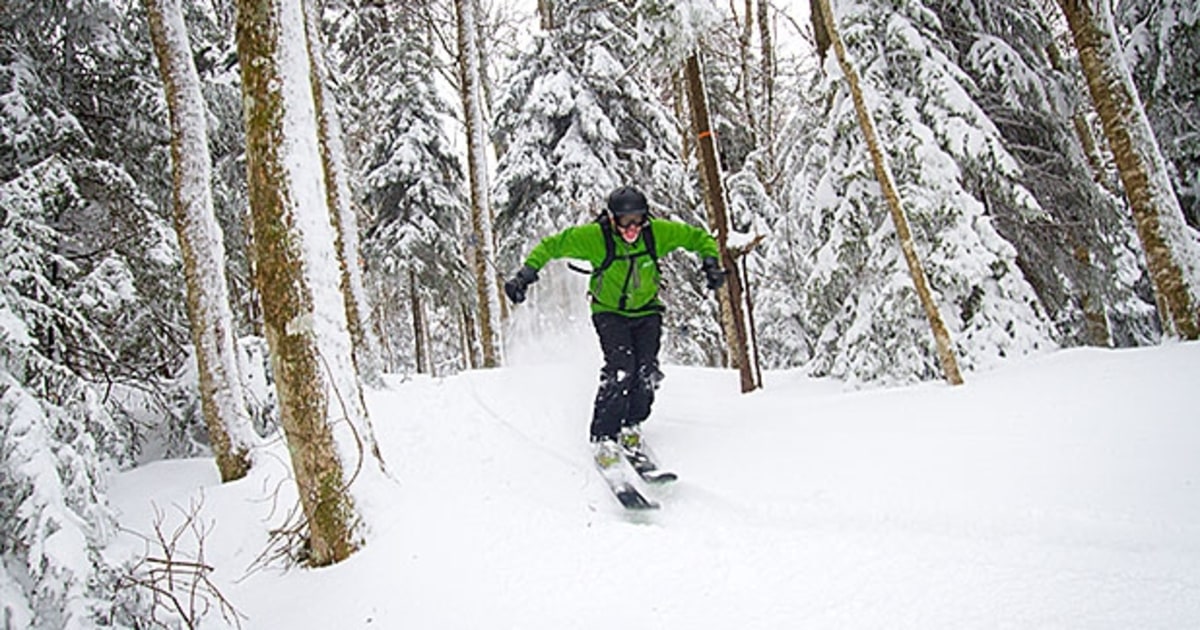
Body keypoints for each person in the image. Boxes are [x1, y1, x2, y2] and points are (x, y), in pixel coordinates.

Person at [503, 185, 726, 468]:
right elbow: (552, 246)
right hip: (609, 312)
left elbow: (697, 237)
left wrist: (710, 262)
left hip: (647, 311)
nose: (632, 227)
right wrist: (525, 276)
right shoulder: (595, 238)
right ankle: (604, 436)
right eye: (624, 221)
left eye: (638, 219)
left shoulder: (656, 233)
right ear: (612, 219)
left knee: (647, 372)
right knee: (622, 368)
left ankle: (632, 424)